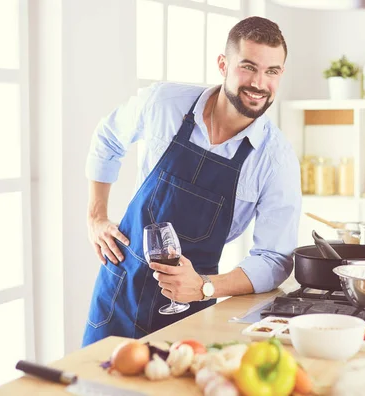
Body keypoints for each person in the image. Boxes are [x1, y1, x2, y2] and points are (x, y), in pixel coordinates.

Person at [82, 16, 301, 346]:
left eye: (271, 71)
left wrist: (205, 286)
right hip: (119, 292)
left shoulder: (276, 159)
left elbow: (274, 258)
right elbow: (108, 137)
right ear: (223, 64)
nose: (259, 83)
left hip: (191, 307)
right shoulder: (163, 104)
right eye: (248, 67)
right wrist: (96, 216)